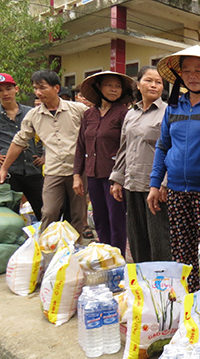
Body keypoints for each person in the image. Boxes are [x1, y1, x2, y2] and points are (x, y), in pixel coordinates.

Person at [150, 46, 200, 292]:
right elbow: (163, 146)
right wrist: (155, 184)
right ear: (179, 75)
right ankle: (187, 299)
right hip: (175, 190)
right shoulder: (173, 108)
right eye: (187, 71)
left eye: (198, 70)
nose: (192, 76)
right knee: (181, 250)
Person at [0, 70, 88, 234]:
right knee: (49, 211)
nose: (38, 92)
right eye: (35, 88)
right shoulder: (33, 115)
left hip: (78, 171)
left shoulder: (79, 110)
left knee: (77, 215)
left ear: (56, 88)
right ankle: (46, 249)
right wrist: (4, 168)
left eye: (43, 88)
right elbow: (19, 142)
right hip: (54, 171)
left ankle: (72, 252)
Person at [109, 66, 170, 263]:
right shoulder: (130, 114)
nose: (153, 85)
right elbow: (123, 148)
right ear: (138, 84)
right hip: (132, 184)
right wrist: (117, 179)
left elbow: (173, 149)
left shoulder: (168, 112)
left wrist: (164, 183)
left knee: (159, 239)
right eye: (148, 80)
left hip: (154, 185)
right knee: (136, 239)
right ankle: (143, 283)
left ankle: (162, 286)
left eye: (158, 82)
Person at [73, 71, 133, 255]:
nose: (114, 89)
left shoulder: (124, 113)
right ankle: (105, 257)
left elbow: (128, 146)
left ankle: (118, 259)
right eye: (109, 85)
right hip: (93, 174)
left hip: (114, 176)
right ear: (98, 88)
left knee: (116, 220)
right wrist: (77, 175)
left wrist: (120, 179)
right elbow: (81, 145)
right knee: (99, 219)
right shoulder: (89, 114)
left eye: (117, 86)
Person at [0, 73, 44, 220]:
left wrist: (44, 155)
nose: (5, 93)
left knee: (45, 212)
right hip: (9, 173)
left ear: (16, 89)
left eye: (8, 88)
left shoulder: (31, 112)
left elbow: (49, 134)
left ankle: (47, 241)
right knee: (10, 216)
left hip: (33, 170)